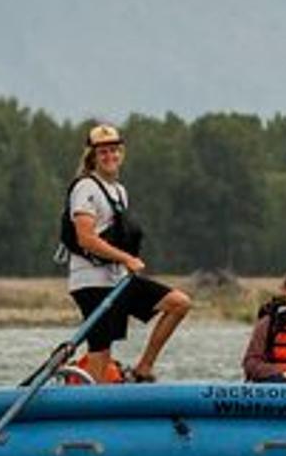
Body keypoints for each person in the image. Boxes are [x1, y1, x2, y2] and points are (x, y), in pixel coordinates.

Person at [60, 122, 192, 383]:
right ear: (93, 156)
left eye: (114, 150)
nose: (110, 157)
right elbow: (85, 238)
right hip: (90, 282)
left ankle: (143, 368)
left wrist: (124, 262)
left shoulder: (119, 191)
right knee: (100, 352)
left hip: (117, 280)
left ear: (121, 153)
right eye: (103, 152)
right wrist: (126, 258)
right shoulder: (85, 187)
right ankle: (90, 403)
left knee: (179, 303)